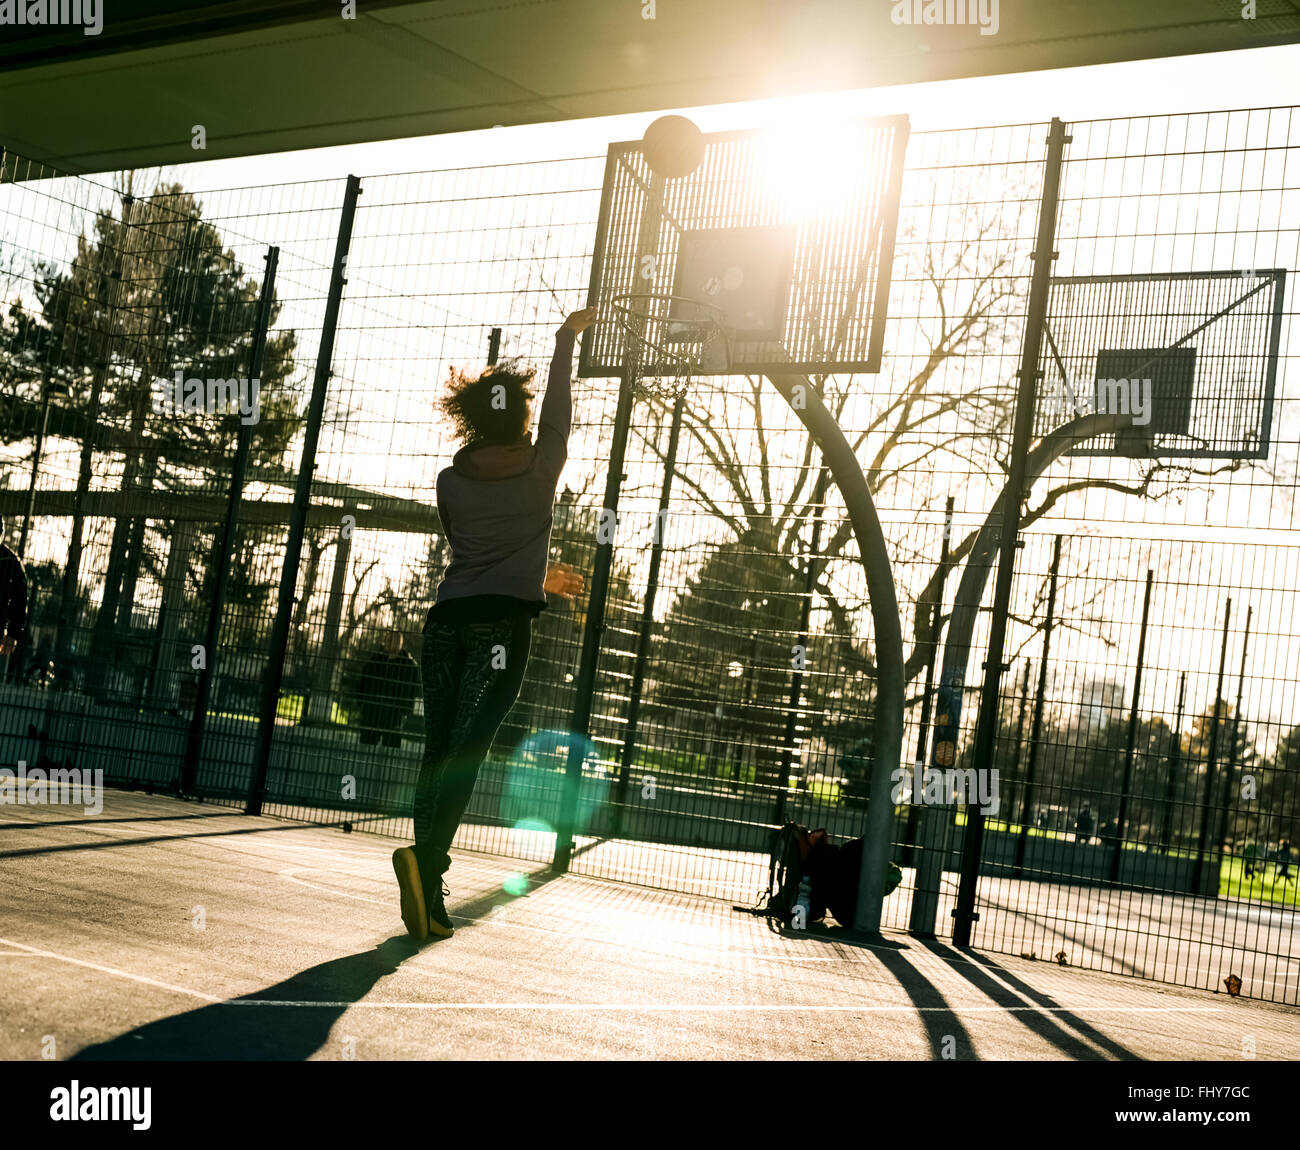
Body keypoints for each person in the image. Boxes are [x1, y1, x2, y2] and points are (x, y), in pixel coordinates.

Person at [392, 306, 596, 942]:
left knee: (438, 750)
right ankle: (427, 868)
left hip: (446, 622)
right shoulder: (543, 468)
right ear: (521, 417)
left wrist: (536, 577)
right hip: (500, 634)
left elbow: (474, 557)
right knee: (467, 755)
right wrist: (566, 343)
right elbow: (561, 411)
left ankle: (426, 882)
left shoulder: (450, 479)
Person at [356, 630, 421, 748]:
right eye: (388, 639)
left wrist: (405, 710)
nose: (388, 642)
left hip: (393, 713)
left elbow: (411, 690)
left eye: (392, 640)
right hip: (374, 711)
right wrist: (362, 702)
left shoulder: (408, 665)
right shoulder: (376, 660)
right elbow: (365, 682)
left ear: (400, 643)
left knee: (390, 746)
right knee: (367, 743)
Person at [0, 517, 28, 680]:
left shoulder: (11, 562)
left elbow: (20, 600)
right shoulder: (11, 561)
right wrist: (13, 633)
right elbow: (20, 601)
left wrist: (13, 633)